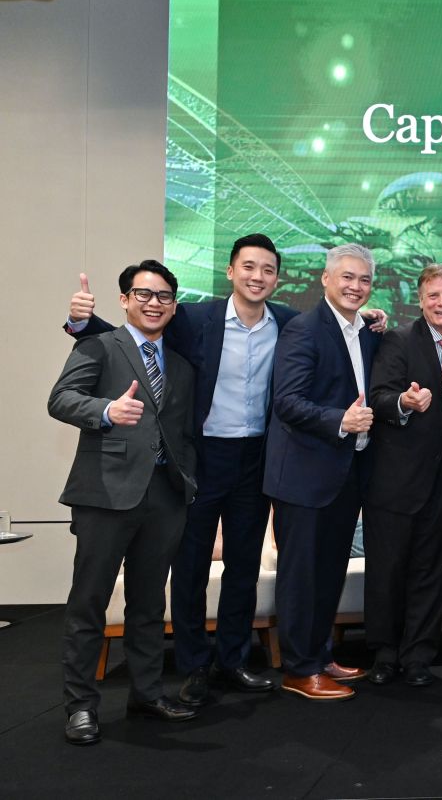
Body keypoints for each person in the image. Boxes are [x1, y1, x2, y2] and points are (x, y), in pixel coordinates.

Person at [63, 236, 387, 706]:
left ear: (277, 278)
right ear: (231, 271)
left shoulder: (288, 322)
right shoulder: (195, 318)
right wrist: (80, 322)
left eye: (268, 270)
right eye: (249, 267)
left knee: (243, 566)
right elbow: (134, 335)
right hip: (201, 458)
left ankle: (233, 660)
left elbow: (338, 328)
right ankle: (195, 665)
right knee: (191, 566)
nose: (258, 277)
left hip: (257, 459)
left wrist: (370, 321)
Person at [49, 259, 199, 745]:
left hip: (164, 497)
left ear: (173, 306)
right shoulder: (98, 344)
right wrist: (107, 411)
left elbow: (182, 433)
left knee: (150, 604)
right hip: (105, 494)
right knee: (89, 603)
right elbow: (61, 399)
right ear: (124, 299)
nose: (154, 303)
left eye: (163, 296)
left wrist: (187, 480)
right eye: (143, 294)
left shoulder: (181, 365)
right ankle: (80, 707)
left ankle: (147, 694)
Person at [263, 243, 380, 701]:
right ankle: (299, 669)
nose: (355, 286)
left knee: (329, 572)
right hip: (303, 476)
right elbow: (287, 401)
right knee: (301, 576)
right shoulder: (303, 329)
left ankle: (320, 654)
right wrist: (340, 420)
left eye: (364, 279)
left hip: (343, 476)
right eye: (347, 277)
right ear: (326, 279)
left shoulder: (363, 331)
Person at [364, 264, 442, 686]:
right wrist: (405, 403)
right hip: (394, 480)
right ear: (420, 300)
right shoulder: (397, 341)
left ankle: (418, 657)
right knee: (388, 569)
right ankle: (385, 654)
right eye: (434, 296)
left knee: (431, 571)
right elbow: (378, 396)